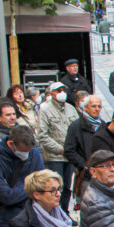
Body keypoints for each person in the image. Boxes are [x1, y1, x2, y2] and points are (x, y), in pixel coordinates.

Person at [37, 81, 80, 211]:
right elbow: (42, 135)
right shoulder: (44, 109)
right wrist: (60, 149)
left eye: (63, 90)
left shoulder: (71, 108)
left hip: (70, 156)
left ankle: (65, 211)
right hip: (55, 156)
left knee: (67, 186)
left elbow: (76, 129)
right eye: (58, 91)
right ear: (51, 94)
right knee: (56, 187)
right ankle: (56, 212)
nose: (62, 93)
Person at [64, 94, 104, 200]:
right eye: (94, 106)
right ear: (85, 107)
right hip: (86, 177)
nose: (97, 109)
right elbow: (69, 150)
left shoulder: (103, 126)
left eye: (99, 106)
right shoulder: (75, 126)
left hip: (103, 174)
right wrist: (83, 166)